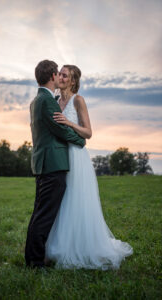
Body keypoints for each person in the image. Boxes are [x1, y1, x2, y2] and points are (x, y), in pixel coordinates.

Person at [45, 65, 133, 270]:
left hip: (76, 156)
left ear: (73, 80)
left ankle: (83, 246)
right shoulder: (56, 101)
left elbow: (88, 132)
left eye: (65, 75)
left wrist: (68, 123)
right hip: (61, 155)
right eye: (59, 74)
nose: (60, 77)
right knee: (61, 200)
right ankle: (60, 244)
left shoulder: (78, 100)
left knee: (76, 200)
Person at [25, 60, 85, 269]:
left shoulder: (36, 101)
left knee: (40, 212)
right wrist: (80, 140)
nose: (60, 77)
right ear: (52, 76)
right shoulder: (48, 101)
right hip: (53, 165)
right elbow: (59, 130)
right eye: (58, 74)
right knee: (44, 215)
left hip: (44, 163)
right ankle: (35, 261)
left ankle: (33, 257)